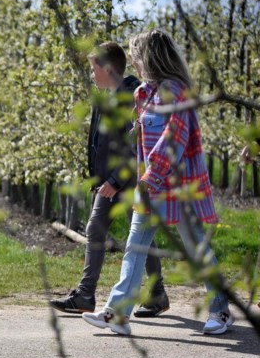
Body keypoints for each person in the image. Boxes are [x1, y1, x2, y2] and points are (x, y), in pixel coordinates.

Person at [82, 29, 233, 336]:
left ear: (149, 57)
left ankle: (221, 311)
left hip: (178, 188)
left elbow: (174, 138)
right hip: (149, 189)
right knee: (135, 248)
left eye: (136, 55)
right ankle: (117, 313)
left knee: (197, 249)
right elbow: (145, 141)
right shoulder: (144, 94)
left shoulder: (176, 92)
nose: (133, 63)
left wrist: (152, 174)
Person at [50, 42, 169, 317]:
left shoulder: (133, 95)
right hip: (112, 180)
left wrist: (115, 180)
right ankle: (150, 293)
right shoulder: (104, 96)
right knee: (128, 234)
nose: (91, 74)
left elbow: (135, 144)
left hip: (130, 179)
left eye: (94, 68)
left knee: (126, 234)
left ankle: (91, 294)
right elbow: (98, 142)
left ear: (106, 68)